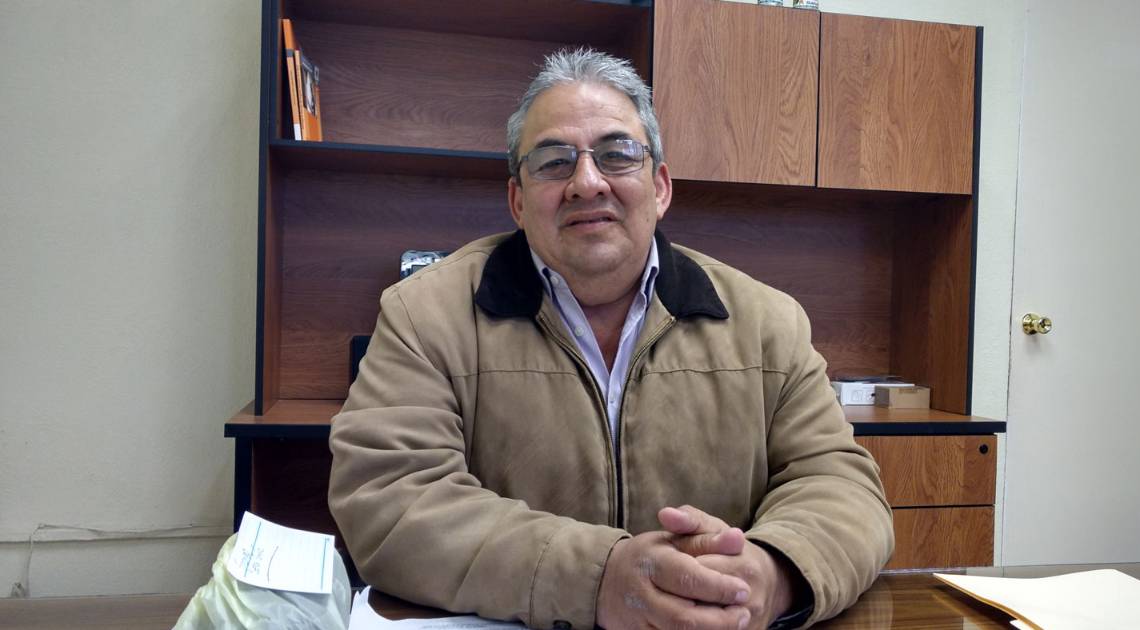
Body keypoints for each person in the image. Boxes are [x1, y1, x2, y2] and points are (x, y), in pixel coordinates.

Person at [328, 48, 893, 630]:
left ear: (660, 187)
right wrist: (598, 579)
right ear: (518, 201)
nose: (586, 182)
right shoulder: (424, 314)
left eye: (617, 155)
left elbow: (840, 486)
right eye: (553, 162)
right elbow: (389, 499)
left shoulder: (768, 323)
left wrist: (774, 573)